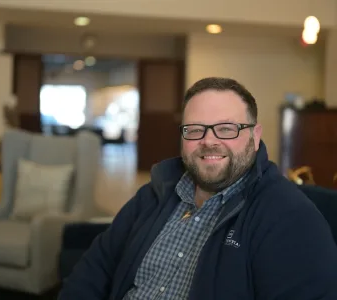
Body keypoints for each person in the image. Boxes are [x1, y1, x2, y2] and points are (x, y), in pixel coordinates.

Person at [58, 77, 337, 300]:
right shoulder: (154, 195)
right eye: (195, 129)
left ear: (254, 135)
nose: (209, 141)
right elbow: (95, 271)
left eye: (227, 129)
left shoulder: (289, 217)